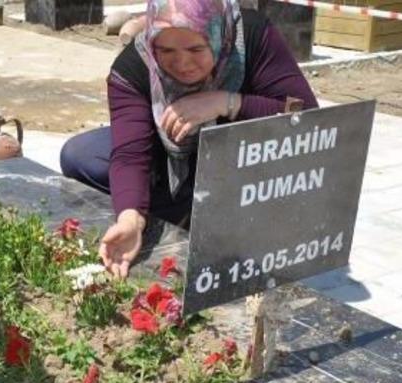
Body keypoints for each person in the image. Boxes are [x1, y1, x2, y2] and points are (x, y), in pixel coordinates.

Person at [59, 0, 318, 278]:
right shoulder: (135, 65)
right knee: (82, 155)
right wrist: (131, 218)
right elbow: (131, 154)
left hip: (240, 155)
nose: (182, 64)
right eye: (166, 50)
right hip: (172, 154)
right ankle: (185, 206)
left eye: (196, 49)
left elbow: (307, 118)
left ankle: (200, 208)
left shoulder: (251, 36)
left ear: (220, 35)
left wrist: (228, 103)